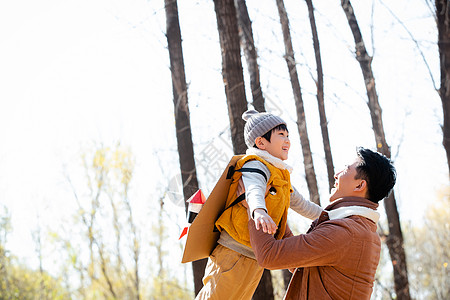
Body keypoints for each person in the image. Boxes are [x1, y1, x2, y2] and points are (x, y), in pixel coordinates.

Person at [195, 110, 323, 300]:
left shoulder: (280, 175)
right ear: (261, 142)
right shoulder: (256, 165)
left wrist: (331, 216)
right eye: (281, 135)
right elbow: (253, 189)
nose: (287, 140)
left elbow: (303, 205)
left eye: (288, 135)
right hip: (233, 251)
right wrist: (258, 210)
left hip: (254, 258)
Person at [247, 147, 397, 299]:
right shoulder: (359, 229)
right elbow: (295, 261)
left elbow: (269, 255)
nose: (336, 174)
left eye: (346, 169)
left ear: (359, 186)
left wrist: (255, 207)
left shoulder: (346, 232)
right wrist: (273, 205)